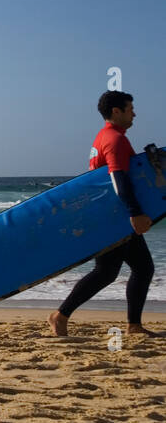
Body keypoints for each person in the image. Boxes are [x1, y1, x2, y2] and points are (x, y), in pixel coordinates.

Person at [50, 91, 158, 338]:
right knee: (116, 271)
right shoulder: (115, 140)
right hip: (114, 217)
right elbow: (118, 179)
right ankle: (61, 315)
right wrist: (135, 212)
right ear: (116, 111)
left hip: (110, 215)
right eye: (130, 108)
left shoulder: (105, 137)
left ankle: (133, 325)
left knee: (129, 269)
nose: (134, 113)